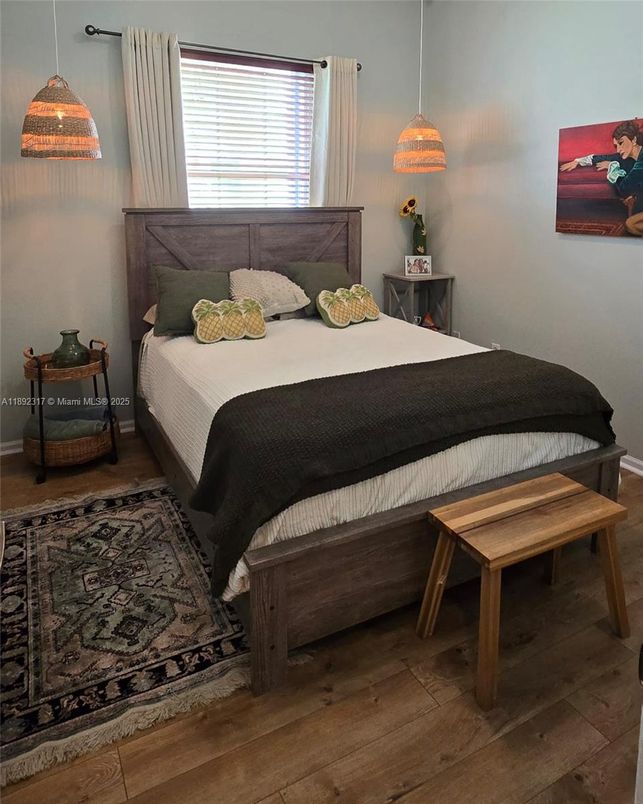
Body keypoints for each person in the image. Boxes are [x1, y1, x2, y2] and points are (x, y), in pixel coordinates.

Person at [560, 120, 643, 235]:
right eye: (616, 146)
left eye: (621, 143)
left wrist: (612, 166)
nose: (618, 149)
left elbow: (624, 188)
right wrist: (577, 161)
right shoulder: (628, 157)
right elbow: (600, 157)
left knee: (631, 225)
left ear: (633, 140)